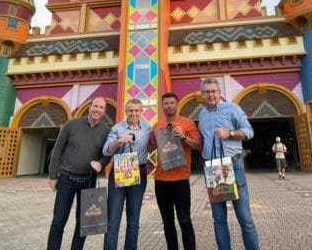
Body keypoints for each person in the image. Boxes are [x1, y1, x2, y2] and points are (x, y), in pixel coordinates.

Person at [198, 77, 259, 250]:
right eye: (207, 92)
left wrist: (229, 133)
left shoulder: (233, 109)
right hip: (213, 168)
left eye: (213, 91)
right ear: (203, 94)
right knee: (218, 218)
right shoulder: (202, 114)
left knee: (244, 217)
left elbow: (249, 132)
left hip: (234, 165)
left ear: (219, 93)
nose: (211, 95)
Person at [47, 97, 111, 250]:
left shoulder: (106, 131)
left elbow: (108, 154)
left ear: (104, 111)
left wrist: (101, 164)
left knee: (84, 222)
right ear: (89, 107)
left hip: (88, 181)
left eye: (101, 108)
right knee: (58, 220)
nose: (97, 110)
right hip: (66, 179)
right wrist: (53, 176)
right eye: (95, 106)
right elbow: (57, 150)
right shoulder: (72, 124)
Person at [150, 92, 201, 250]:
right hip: (160, 180)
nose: (169, 106)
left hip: (181, 180)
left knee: (185, 220)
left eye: (172, 103)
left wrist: (184, 137)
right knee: (167, 222)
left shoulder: (188, 123)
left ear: (176, 104)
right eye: (166, 103)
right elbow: (150, 147)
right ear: (162, 106)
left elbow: (198, 145)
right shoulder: (157, 125)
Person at [102, 98, 152, 250]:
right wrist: (118, 141)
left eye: (137, 110)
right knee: (112, 219)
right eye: (130, 110)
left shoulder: (148, 128)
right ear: (126, 112)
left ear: (141, 111)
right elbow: (106, 150)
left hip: (139, 172)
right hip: (119, 172)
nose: (134, 113)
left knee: (133, 219)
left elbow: (155, 144)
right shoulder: (117, 128)